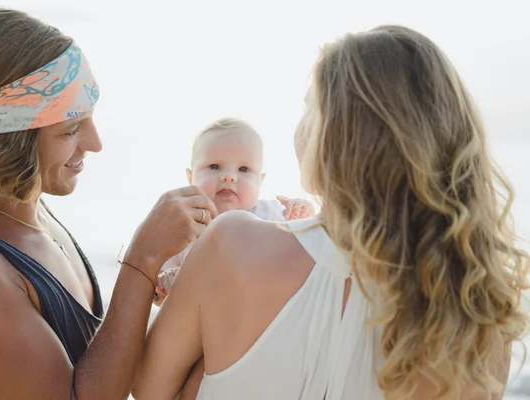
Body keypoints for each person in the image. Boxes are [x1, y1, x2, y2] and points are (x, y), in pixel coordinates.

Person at [133, 25, 530, 399]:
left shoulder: (234, 244)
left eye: (310, 108)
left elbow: (148, 389)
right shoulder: (479, 309)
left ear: (337, 134)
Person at [0, 7, 216, 400]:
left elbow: (104, 360)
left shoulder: (33, 215)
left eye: (91, 119)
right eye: (71, 128)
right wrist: (142, 260)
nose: (95, 143)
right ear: (11, 139)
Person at [155, 117, 315, 303]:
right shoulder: (185, 227)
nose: (229, 176)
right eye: (214, 166)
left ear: (260, 181)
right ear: (191, 177)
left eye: (244, 169)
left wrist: (302, 212)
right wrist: (167, 284)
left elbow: (308, 246)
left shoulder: (270, 215)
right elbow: (157, 291)